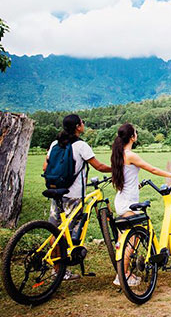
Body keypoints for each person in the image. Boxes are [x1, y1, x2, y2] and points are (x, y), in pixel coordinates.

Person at [110, 122, 171, 286]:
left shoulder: (118, 153)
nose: (137, 134)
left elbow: (125, 176)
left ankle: (123, 274)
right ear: (132, 137)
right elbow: (153, 169)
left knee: (125, 240)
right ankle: (123, 275)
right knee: (132, 240)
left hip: (122, 199)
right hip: (129, 203)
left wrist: (136, 185)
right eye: (136, 132)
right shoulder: (130, 154)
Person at [43, 114, 111, 281]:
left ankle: (57, 270)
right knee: (68, 233)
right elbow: (99, 167)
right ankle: (62, 269)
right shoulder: (81, 145)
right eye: (82, 122)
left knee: (56, 231)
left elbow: (46, 166)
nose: (83, 124)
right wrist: (116, 169)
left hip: (56, 192)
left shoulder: (54, 144)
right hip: (73, 196)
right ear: (78, 127)